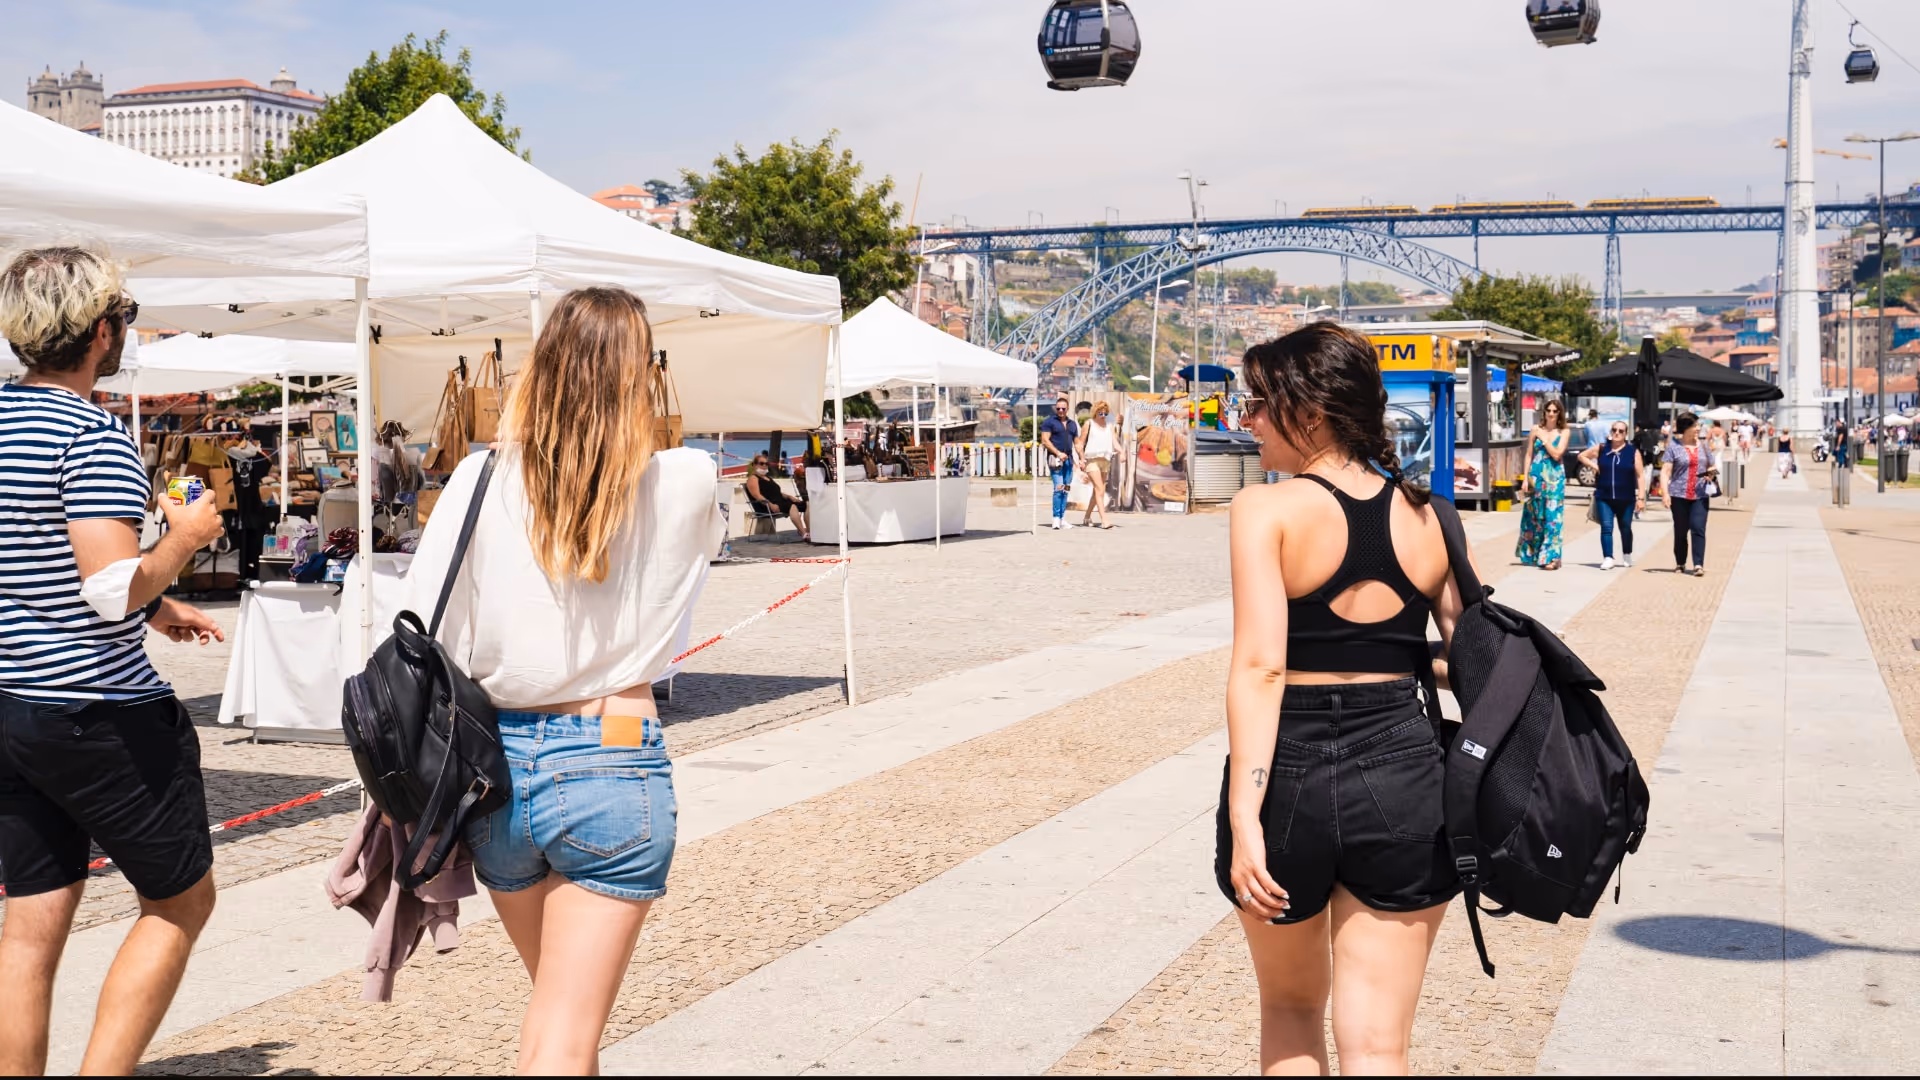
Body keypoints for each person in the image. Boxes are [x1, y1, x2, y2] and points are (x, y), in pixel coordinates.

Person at [405, 287, 723, 1073]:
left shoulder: (478, 483)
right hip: (613, 750)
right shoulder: (685, 479)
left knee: (556, 1019)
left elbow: (419, 629)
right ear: (639, 375)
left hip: (501, 773)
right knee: (563, 1036)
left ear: (539, 370)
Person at [0, 246, 228, 1076]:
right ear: (101, 331)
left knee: (30, 920)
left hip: (13, 702)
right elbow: (107, 589)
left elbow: (31, 561)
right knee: (179, 903)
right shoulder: (90, 434)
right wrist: (183, 544)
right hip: (97, 709)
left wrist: (158, 604)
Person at [1219, 323, 1469, 1074]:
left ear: (1312, 409)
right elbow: (1469, 662)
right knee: (1379, 1045)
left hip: (1288, 772)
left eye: (1260, 402)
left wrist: (1244, 813)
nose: (1247, 420)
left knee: (1292, 1011)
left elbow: (1262, 668)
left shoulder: (1265, 511)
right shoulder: (1433, 516)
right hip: (1405, 769)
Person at [1577, 420, 1647, 570]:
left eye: (1621, 431)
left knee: (1626, 528)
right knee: (1606, 528)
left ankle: (1627, 553)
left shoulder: (1632, 452)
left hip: (1626, 498)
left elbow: (1640, 476)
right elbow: (1582, 456)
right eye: (1614, 430)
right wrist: (1594, 465)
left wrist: (1641, 498)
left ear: (1626, 434)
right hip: (1604, 497)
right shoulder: (1602, 448)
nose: (1617, 433)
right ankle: (1608, 557)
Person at [1516, 399, 1571, 570]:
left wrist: (1544, 439)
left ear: (1559, 413)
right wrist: (1525, 478)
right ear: (1544, 412)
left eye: (1555, 411)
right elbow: (1528, 455)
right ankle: (1535, 553)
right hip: (1537, 478)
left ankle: (1551, 557)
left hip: (1554, 480)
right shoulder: (1535, 430)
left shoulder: (1564, 432)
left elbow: (1557, 454)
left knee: (1553, 518)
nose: (1552, 414)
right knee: (1535, 517)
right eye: (1549, 410)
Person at [1661, 411, 1714, 577]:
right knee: (1681, 530)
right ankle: (1680, 562)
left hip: (1700, 494)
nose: (1698, 429)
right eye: (1695, 425)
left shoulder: (1704, 446)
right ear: (1686, 428)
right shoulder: (1673, 448)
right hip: (1679, 495)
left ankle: (1698, 564)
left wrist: (1711, 474)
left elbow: (1711, 466)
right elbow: (1665, 472)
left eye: (1698, 425)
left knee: (1698, 528)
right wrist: (1665, 494)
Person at [745, 451, 807, 540]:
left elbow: (777, 493)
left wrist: (789, 496)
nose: (764, 466)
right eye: (761, 463)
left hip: (782, 502)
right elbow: (757, 496)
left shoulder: (768, 478)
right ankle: (804, 533)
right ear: (754, 465)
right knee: (792, 506)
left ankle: (808, 531)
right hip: (770, 505)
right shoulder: (753, 479)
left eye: (766, 464)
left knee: (807, 504)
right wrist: (770, 504)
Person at [1075, 401, 1117, 529]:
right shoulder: (1089, 424)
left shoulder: (1109, 426)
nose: (1103, 415)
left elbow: (1115, 442)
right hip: (1092, 461)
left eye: (1105, 413)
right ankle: (1105, 520)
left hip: (1105, 460)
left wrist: (1121, 452)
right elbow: (1080, 443)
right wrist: (1081, 459)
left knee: (1097, 491)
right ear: (1095, 412)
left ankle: (1087, 517)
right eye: (1100, 413)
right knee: (1100, 489)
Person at [1039, 394, 1078, 530]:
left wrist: (1082, 458)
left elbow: (1077, 443)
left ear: (1067, 409)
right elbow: (1045, 440)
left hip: (1069, 460)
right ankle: (1055, 518)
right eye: (1058, 409)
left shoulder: (1072, 424)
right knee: (1058, 487)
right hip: (1055, 460)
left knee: (1066, 489)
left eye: (1063, 409)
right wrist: (1058, 453)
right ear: (1055, 409)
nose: (1061, 411)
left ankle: (1062, 518)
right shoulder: (1049, 422)